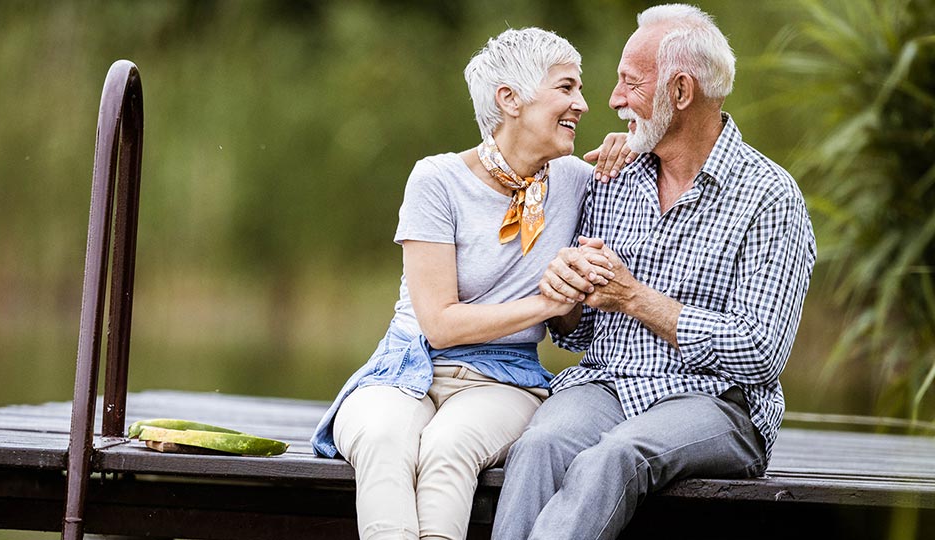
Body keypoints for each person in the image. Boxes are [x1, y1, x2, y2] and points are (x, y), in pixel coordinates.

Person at [492, 4, 817, 539]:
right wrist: (568, 295)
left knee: (613, 458)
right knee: (539, 446)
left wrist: (634, 298)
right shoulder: (614, 176)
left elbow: (760, 354)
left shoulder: (769, 196)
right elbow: (575, 335)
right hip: (605, 385)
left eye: (629, 83)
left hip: (716, 403)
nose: (614, 99)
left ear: (681, 92)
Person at [310, 28, 633, 540]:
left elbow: (660, 156)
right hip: (406, 366)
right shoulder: (436, 180)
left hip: (505, 379)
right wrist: (544, 304)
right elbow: (438, 325)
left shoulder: (576, 180)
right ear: (510, 99)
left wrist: (630, 143)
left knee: (446, 449)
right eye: (567, 88)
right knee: (382, 440)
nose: (584, 105)